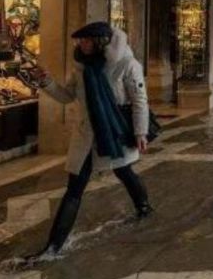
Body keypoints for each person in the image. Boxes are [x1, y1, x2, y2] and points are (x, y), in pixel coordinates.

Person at [25, 22, 151, 262]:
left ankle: (144, 205)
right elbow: (67, 96)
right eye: (80, 41)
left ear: (101, 41)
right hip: (86, 135)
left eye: (87, 40)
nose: (82, 44)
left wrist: (140, 132)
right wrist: (47, 82)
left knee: (124, 171)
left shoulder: (127, 64)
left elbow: (139, 100)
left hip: (114, 131)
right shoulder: (81, 68)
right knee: (74, 188)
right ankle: (53, 246)